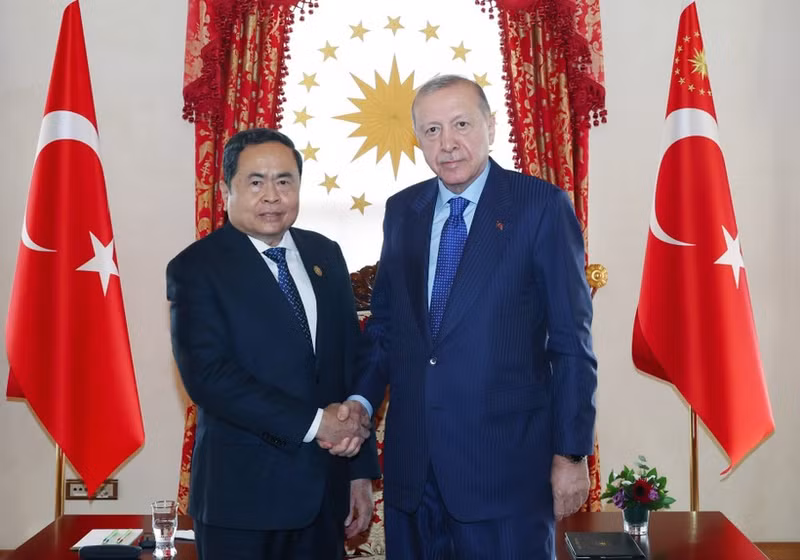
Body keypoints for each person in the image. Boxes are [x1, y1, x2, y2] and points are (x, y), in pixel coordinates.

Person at [349, 75, 598, 559]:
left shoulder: (540, 207)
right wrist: (360, 399)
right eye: (432, 130)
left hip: (505, 473)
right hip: (413, 470)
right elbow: (385, 327)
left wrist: (571, 455)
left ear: (491, 125)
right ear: (418, 139)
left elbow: (571, 342)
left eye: (461, 124)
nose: (448, 144)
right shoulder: (404, 211)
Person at [166, 128, 380, 560]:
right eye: (256, 181)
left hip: (325, 497)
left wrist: (359, 474)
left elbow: (347, 364)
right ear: (227, 189)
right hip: (242, 502)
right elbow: (209, 378)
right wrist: (316, 423)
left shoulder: (326, 254)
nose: (272, 195)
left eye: (284, 181)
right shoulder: (196, 268)